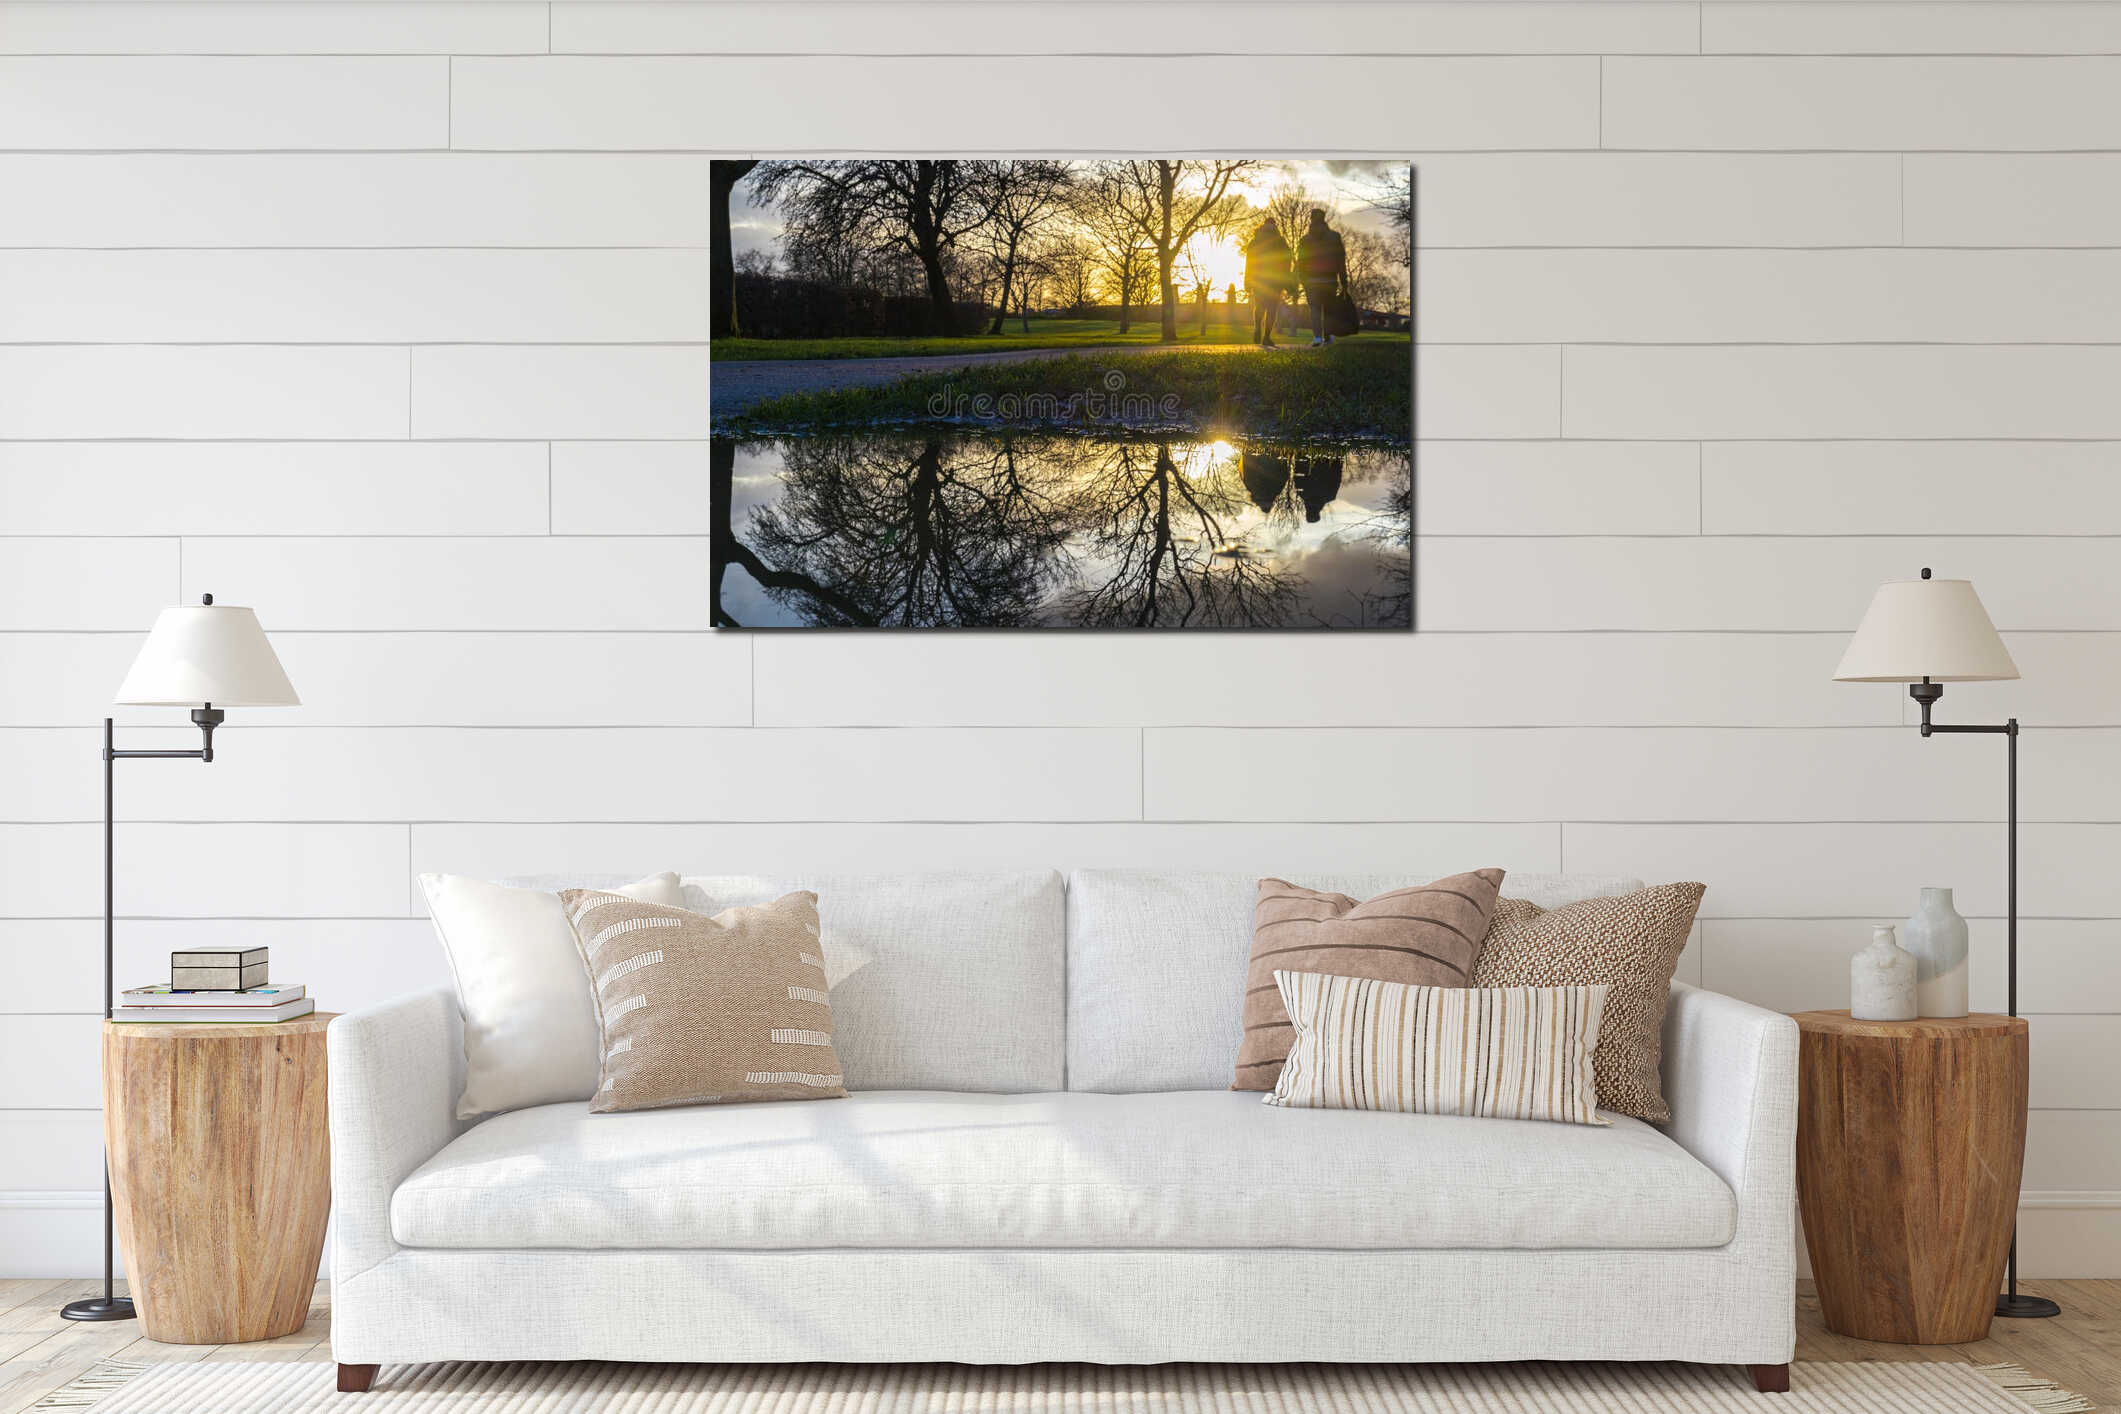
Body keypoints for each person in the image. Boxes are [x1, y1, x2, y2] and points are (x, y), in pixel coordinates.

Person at [1295, 208, 1348, 348]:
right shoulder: (1335, 237)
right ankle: (1328, 336)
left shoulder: (1305, 240)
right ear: (1324, 219)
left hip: (1311, 280)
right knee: (1329, 309)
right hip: (1330, 280)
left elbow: (1301, 262)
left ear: (1311, 220)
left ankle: (1317, 337)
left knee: (1315, 309)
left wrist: (1302, 280)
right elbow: (1340, 260)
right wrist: (1344, 281)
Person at [1242, 218, 1292, 348]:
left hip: (1259, 280)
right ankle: (1266, 337)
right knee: (1272, 310)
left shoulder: (1254, 241)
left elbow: (1249, 263)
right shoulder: (1281, 241)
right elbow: (1287, 263)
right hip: (1275, 281)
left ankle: (1257, 327)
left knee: (1259, 306)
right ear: (1275, 227)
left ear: (1262, 226)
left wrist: (1247, 281)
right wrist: (1288, 283)